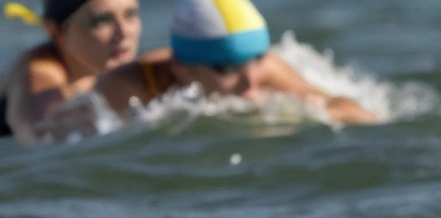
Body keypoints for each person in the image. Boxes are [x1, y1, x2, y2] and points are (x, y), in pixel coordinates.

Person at [33, 0, 379, 141]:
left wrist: (309, 113)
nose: (250, 82)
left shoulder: (266, 69)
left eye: (256, 60)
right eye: (226, 68)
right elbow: (55, 136)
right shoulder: (130, 86)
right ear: (182, 69)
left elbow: (352, 110)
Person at [0, 0, 154, 143]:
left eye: (131, 14)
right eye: (101, 20)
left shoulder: (112, 63)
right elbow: (43, 131)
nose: (124, 32)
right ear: (54, 29)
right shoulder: (39, 71)